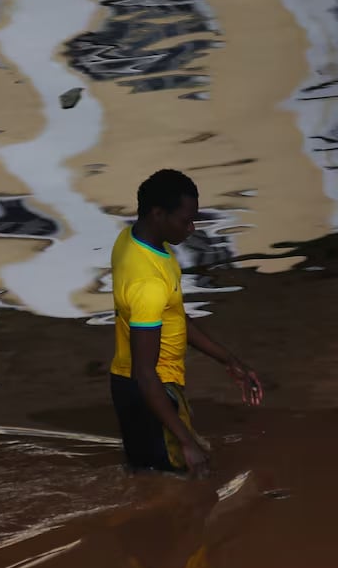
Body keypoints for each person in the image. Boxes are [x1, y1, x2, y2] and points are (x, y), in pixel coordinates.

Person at [110, 169, 263, 478]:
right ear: (157, 214)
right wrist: (186, 440)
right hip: (151, 393)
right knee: (186, 483)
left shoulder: (132, 240)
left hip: (136, 387)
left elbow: (175, 317)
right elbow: (144, 372)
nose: (192, 229)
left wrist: (228, 360)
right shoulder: (147, 282)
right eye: (185, 220)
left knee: (149, 479)